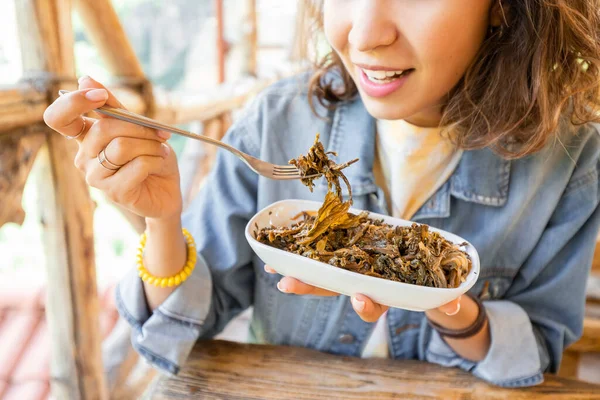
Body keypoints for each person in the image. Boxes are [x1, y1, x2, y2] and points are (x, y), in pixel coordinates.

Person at [43, 0, 600, 387]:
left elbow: (538, 352)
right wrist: (161, 221)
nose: (364, 36)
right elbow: (195, 319)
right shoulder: (279, 120)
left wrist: (446, 302)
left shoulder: (570, 157)